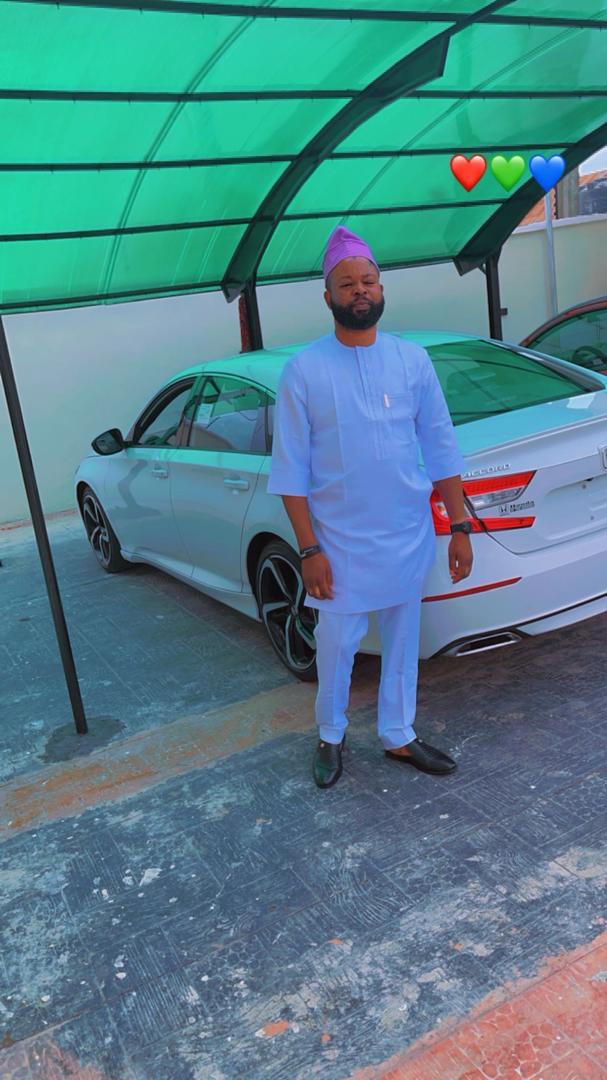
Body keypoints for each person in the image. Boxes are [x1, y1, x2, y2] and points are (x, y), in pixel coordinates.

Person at [266, 225, 473, 788]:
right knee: (336, 646)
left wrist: (459, 526)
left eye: (368, 281)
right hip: (338, 543)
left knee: (403, 643)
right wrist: (308, 549)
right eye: (347, 283)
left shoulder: (412, 361)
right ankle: (330, 735)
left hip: (406, 533)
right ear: (328, 296)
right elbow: (290, 470)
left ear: (381, 289)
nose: (360, 290)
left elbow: (440, 446)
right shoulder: (305, 370)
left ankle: (398, 734)